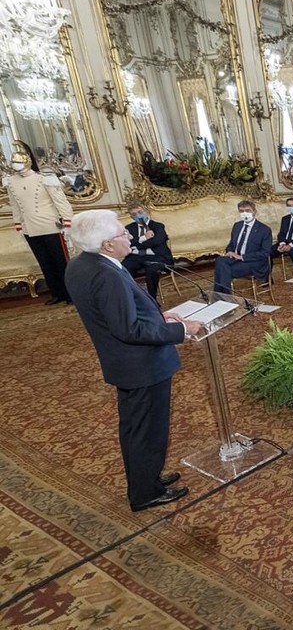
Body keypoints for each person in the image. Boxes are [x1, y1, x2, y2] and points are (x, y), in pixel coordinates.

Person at [64, 210, 202, 511]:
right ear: (106, 244)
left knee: (134, 428)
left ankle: (145, 478)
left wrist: (158, 315)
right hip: (143, 366)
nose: (128, 235)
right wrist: (180, 330)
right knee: (148, 431)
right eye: (122, 233)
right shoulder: (106, 274)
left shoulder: (81, 264)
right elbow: (129, 329)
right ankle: (146, 493)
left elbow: (117, 312)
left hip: (124, 364)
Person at [6, 140, 74, 304]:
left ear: (28, 161)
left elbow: (61, 202)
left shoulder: (45, 179)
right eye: (13, 161)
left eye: (18, 161)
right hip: (29, 228)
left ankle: (70, 294)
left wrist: (67, 222)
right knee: (44, 263)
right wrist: (18, 223)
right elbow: (15, 205)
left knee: (60, 262)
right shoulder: (11, 181)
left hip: (50, 225)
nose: (15, 164)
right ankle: (56, 293)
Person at [213, 201, 273, 294]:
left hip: (253, 262)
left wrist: (241, 257)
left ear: (254, 212)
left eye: (248, 210)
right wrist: (229, 252)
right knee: (219, 261)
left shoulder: (264, 230)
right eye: (241, 211)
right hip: (236, 258)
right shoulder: (237, 225)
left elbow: (265, 253)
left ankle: (221, 296)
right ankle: (223, 296)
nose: (245, 213)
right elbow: (231, 244)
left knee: (223, 270)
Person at [121, 203, 173, 299]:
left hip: (156, 256)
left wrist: (137, 246)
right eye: (134, 214)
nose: (138, 216)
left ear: (146, 212)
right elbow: (128, 243)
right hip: (137, 257)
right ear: (131, 217)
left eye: (140, 212)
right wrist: (144, 238)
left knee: (152, 269)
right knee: (123, 268)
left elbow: (157, 241)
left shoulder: (158, 226)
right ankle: (131, 297)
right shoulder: (128, 228)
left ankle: (152, 299)